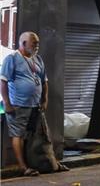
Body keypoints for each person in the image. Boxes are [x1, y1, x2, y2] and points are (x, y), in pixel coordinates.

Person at [0, 32, 61, 176]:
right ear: (23, 44)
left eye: (37, 43)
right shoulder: (12, 59)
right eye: (34, 44)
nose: (37, 46)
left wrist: (44, 99)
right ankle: (23, 167)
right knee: (18, 135)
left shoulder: (37, 59)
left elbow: (44, 81)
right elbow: (3, 82)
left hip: (35, 106)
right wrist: (7, 104)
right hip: (18, 105)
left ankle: (40, 163)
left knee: (36, 135)